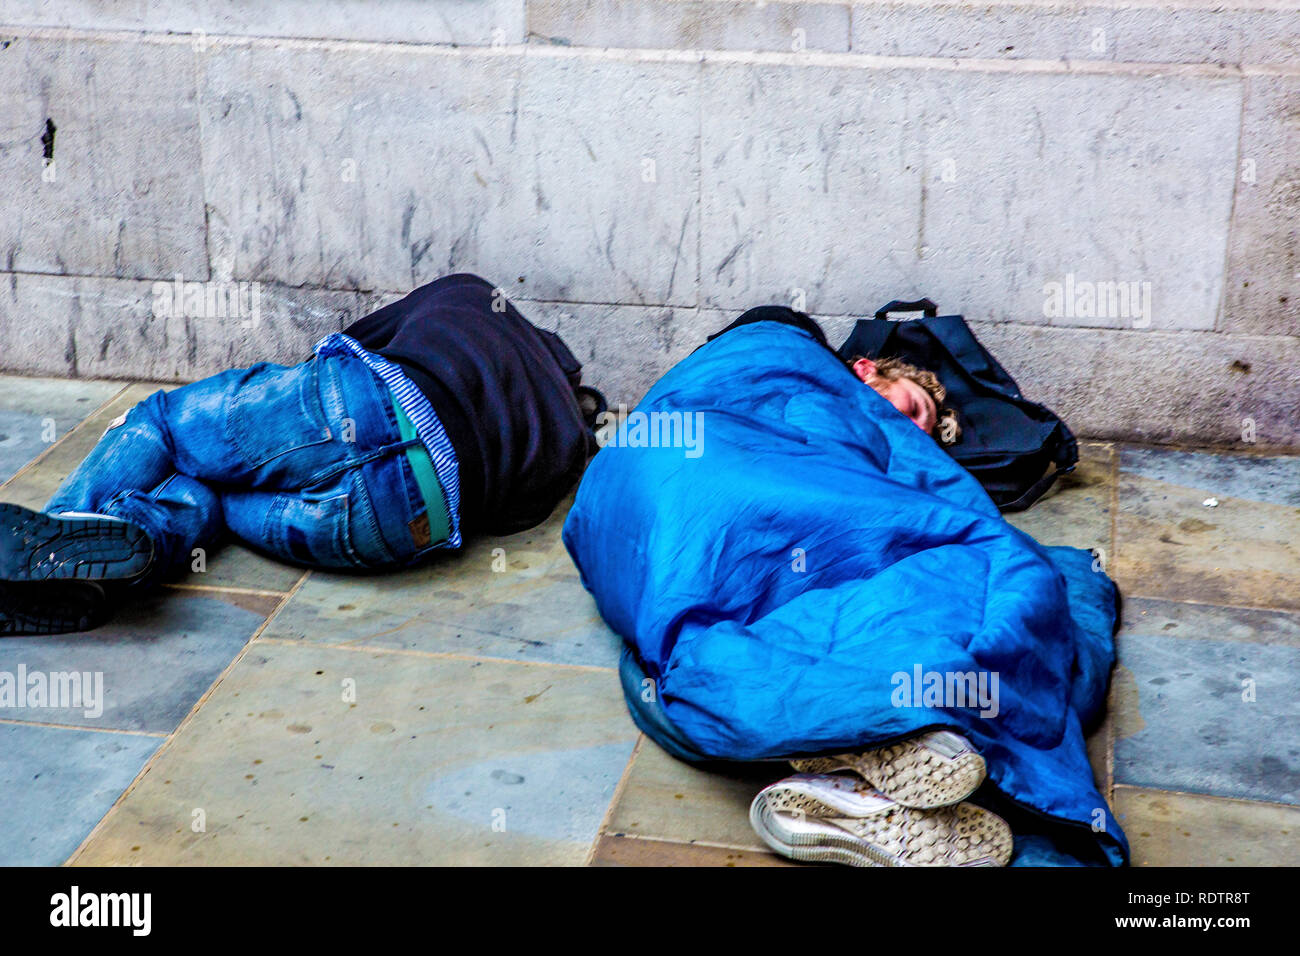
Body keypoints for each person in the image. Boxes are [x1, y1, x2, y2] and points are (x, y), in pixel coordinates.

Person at [0, 274, 598, 635]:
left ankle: (46, 539)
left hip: (370, 403)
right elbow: (510, 519)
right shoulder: (567, 443)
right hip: (401, 527)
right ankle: (108, 564)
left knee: (167, 426)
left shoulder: (470, 295)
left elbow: (335, 354)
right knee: (211, 494)